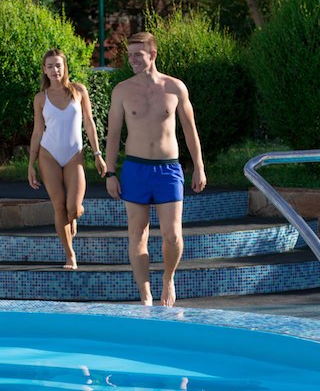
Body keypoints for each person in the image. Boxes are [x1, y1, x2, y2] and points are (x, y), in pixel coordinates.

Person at [104, 31, 206, 306]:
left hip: (168, 169)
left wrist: (199, 166)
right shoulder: (122, 90)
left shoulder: (175, 88)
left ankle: (168, 278)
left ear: (153, 54)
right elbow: (113, 134)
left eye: (138, 54)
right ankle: (145, 295)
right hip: (135, 169)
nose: (132, 60)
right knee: (137, 234)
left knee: (172, 235)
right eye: (129, 55)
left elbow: (190, 130)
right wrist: (110, 172)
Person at [28, 49, 106, 269]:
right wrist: (31, 164)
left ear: (65, 67)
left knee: (74, 208)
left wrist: (98, 155)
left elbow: (89, 123)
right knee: (59, 206)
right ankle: (70, 254)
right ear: (44, 70)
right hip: (48, 154)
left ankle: (73, 217)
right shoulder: (40, 98)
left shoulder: (78, 91)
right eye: (50, 66)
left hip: (74, 156)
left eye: (58, 65)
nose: (55, 70)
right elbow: (37, 131)